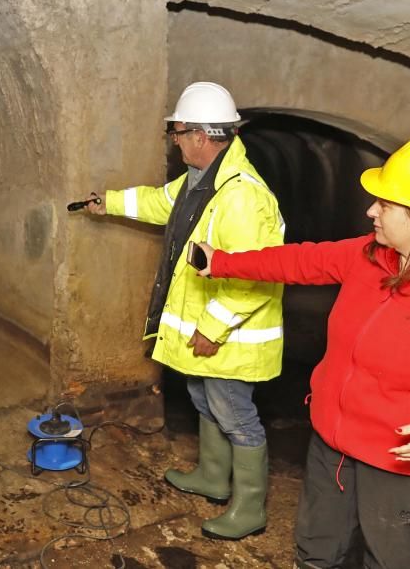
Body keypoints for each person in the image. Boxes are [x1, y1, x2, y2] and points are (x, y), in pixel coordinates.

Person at [195, 134, 410, 568]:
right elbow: (299, 262)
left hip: (401, 465)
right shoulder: (369, 256)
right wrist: (223, 262)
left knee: (391, 559)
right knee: (317, 548)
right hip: (334, 444)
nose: (370, 210)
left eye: (386, 204)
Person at [84, 81, 285, 540]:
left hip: (232, 337)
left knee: (236, 415)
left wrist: (213, 329)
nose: (175, 142)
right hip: (205, 329)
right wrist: (108, 202)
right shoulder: (202, 182)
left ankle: (250, 508)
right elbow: (160, 203)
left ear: (200, 135)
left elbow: (256, 276)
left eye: (177, 133)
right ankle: (213, 478)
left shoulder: (242, 196)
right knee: (203, 400)